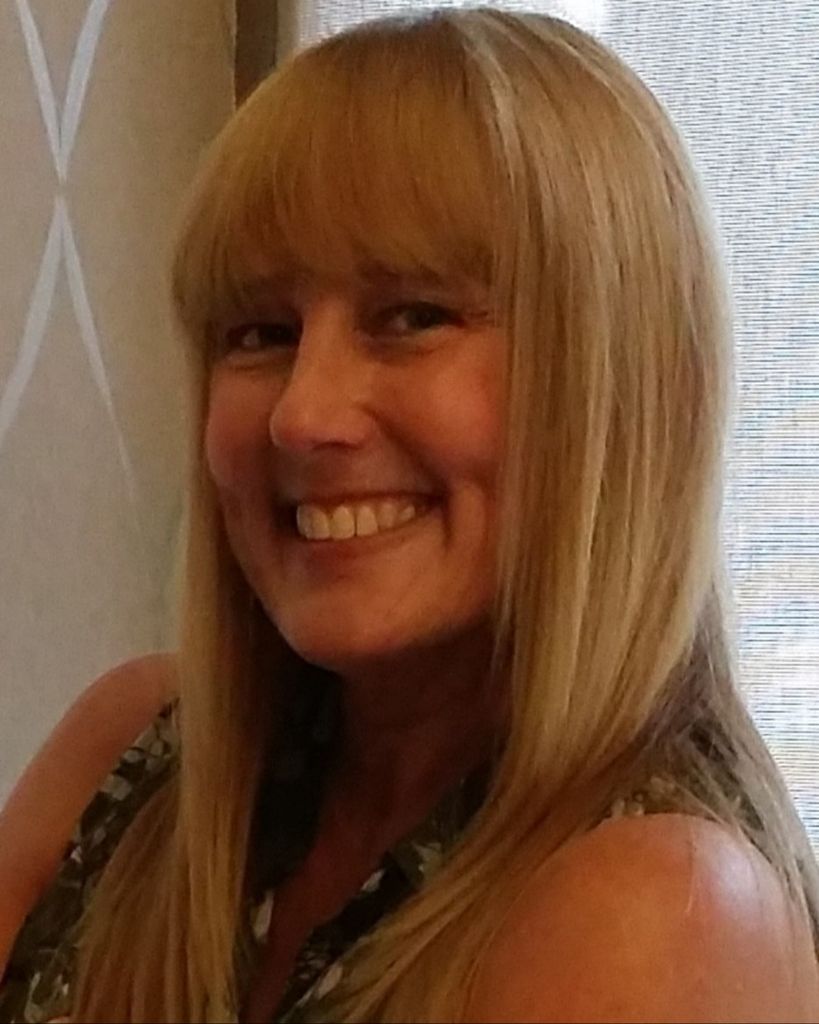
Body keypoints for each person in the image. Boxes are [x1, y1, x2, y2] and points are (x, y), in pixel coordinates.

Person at [1, 7, 818, 1022]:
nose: (302, 415)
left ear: (622, 388)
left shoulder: (661, 910)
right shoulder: (135, 759)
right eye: (260, 332)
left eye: (412, 317)